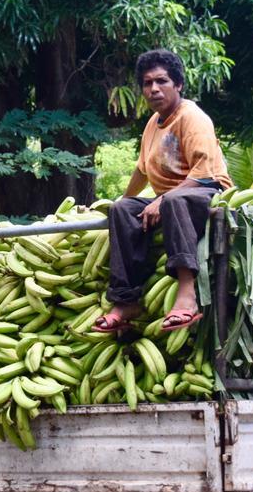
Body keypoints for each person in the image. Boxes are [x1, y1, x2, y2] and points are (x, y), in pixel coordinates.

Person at [93, 49, 232, 334]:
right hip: (171, 198)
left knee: (173, 200)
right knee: (121, 209)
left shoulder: (192, 117)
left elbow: (204, 172)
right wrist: (124, 200)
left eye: (162, 81)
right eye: (147, 83)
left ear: (178, 84)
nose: (154, 89)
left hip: (208, 190)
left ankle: (187, 293)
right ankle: (126, 301)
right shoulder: (151, 125)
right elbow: (142, 171)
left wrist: (164, 200)